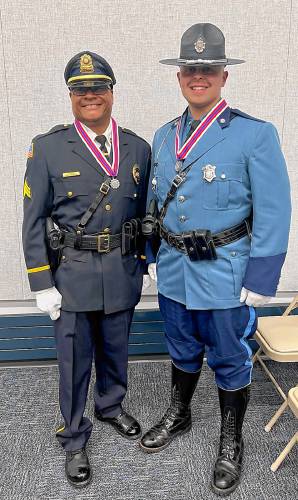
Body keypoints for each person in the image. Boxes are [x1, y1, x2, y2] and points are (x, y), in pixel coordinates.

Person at [140, 23, 291, 496]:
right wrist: (149, 253)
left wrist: (262, 276)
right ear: (179, 75)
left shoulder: (254, 135)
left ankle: (231, 438)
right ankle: (180, 413)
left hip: (226, 272)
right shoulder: (165, 137)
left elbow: (274, 207)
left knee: (229, 356)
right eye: (190, 68)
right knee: (181, 346)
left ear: (224, 75)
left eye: (208, 68)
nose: (198, 76)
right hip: (174, 271)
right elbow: (153, 201)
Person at [22, 51, 151, 488]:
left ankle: (111, 407)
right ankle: (74, 435)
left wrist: (145, 257)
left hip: (120, 267)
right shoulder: (49, 147)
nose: (90, 95)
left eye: (98, 87)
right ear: (71, 96)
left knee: (116, 349)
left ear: (112, 92)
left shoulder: (138, 147)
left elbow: (144, 210)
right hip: (72, 272)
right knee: (75, 358)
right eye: (81, 89)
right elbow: (34, 218)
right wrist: (41, 280)